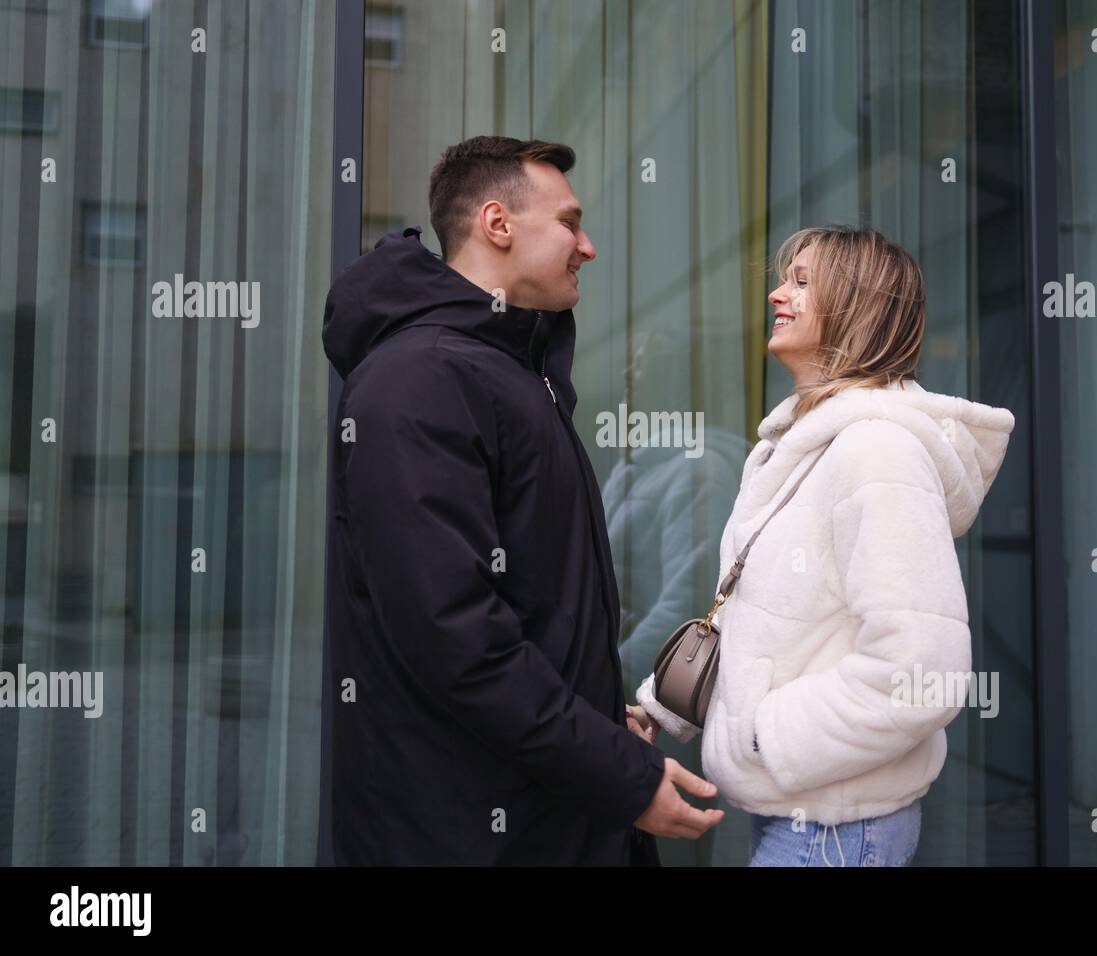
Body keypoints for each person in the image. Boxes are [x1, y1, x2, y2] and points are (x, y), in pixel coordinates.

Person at [321, 135, 722, 865]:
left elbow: (534, 613)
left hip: (543, 812)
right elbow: (458, 640)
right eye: (570, 222)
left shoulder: (507, 371)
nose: (589, 247)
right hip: (469, 833)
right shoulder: (422, 379)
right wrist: (621, 775)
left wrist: (602, 726)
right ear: (498, 225)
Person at [631, 225, 1015, 866]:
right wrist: (657, 710)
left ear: (859, 309)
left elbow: (921, 672)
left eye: (802, 282)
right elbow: (770, 628)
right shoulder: (797, 447)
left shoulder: (876, 451)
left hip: (837, 827)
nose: (778, 295)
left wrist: (765, 734)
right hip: (805, 817)